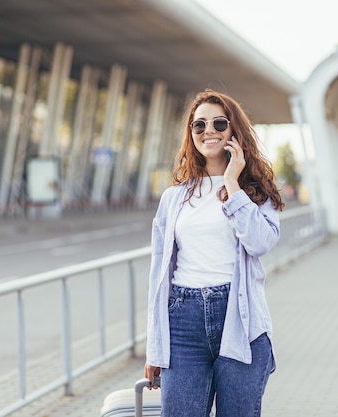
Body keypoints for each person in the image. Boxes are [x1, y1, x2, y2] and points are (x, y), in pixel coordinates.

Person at [144, 89, 285, 417]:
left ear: (234, 131)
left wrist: (233, 184)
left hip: (239, 317)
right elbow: (158, 275)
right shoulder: (174, 197)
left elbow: (260, 242)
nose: (209, 131)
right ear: (190, 134)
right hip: (182, 319)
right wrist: (155, 347)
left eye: (219, 123)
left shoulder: (256, 192)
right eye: (199, 125)